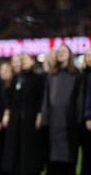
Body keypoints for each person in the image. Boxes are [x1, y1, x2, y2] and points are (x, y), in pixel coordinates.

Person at [1, 53, 47, 175]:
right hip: (16, 120)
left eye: (25, 59)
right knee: (15, 147)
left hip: (31, 119)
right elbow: (10, 99)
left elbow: (41, 99)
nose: (23, 61)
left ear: (33, 61)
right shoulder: (17, 78)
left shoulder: (38, 78)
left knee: (30, 147)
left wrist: (39, 115)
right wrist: (7, 114)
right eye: (21, 59)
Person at [41, 44, 83, 175]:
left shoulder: (77, 74)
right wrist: (44, 119)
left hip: (69, 122)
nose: (61, 53)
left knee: (69, 160)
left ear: (70, 54)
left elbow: (79, 99)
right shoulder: (52, 75)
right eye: (59, 51)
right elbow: (46, 99)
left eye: (64, 51)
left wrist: (78, 120)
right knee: (53, 161)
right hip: (53, 123)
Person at [80, 48, 91, 175]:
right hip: (84, 120)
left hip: (87, 116)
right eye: (87, 55)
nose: (89, 58)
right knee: (86, 154)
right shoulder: (81, 75)